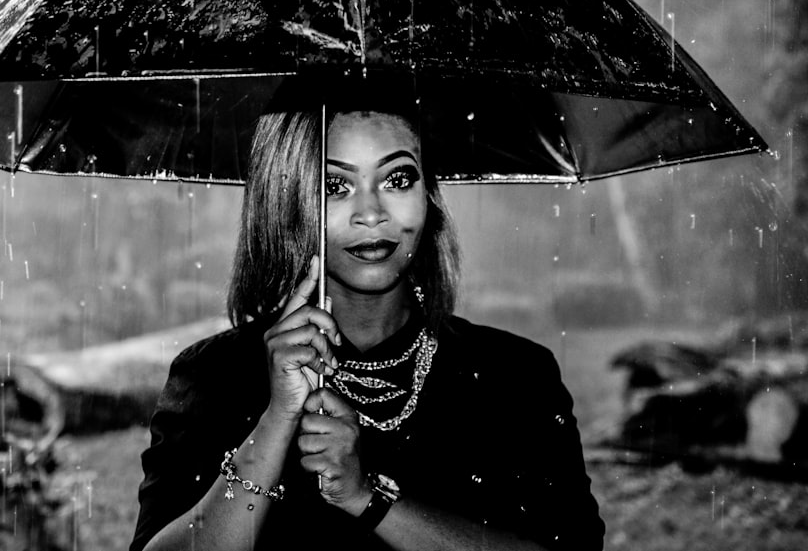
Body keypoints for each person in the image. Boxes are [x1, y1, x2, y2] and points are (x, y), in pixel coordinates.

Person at [130, 86, 605, 551]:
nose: (372, 213)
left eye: (398, 179)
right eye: (336, 186)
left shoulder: (515, 376)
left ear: (430, 197)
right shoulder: (214, 376)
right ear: (287, 204)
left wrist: (367, 498)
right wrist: (276, 423)